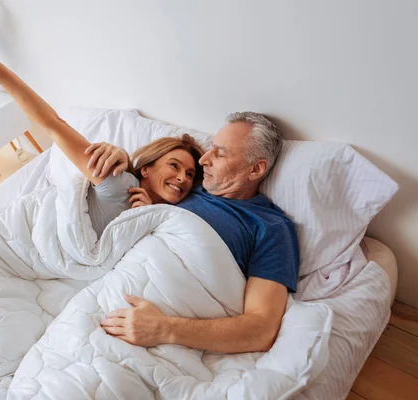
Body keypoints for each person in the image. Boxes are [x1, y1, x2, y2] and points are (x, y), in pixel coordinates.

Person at [95, 112, 300, 354]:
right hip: (107, 297)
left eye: (220, 153)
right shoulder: (186, 188)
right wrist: (121, 159)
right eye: (210, 148)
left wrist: (164, 329)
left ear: (255, 169)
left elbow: (261, 329)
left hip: (162, 330)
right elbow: (139, 184)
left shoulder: (271, 226)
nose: (204, 159)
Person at [0, 49, 204, 237]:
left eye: (190, 174)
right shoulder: (118, 182)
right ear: (145, 168)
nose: (183, 178)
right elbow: (54, 125)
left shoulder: (168, 217)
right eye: (175, 165)